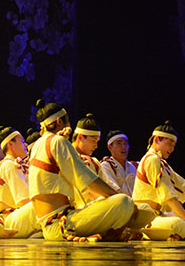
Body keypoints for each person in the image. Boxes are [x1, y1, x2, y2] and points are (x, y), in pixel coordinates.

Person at [29, 100, 153, 241]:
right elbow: (89, 182)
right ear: (59, 122)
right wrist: (126, 204)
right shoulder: (57, 141)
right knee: (124, 202)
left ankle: (112, 231)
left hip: (58, 222)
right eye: (67, 121)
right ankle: (113, 233)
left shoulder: (38, 145)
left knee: (146, 211)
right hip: (62, 225)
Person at [0, 126, 39, 238]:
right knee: (43, 204)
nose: (25, 145)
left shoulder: (15, 163)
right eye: (22, 141)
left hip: (14, 216)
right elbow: (23, 200)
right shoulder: (8, 164)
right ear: (10, 144)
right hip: (6, 221)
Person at [71, 114, 120, 206]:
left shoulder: (94, 162)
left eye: (97, 142)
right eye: (93, 141)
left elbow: (112, 188)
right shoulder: (67, 158)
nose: (96, 146)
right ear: (80, 137)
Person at [100, 130, 137, 196]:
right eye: (119, 143)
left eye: (126, 143)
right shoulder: (106, 165)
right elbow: (113, 190)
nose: (124, 146)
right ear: (110, 147)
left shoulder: (133, 167)